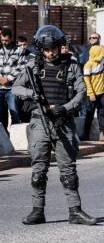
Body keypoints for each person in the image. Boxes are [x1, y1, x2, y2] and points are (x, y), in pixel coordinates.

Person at [13, 25, 98, 226]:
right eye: (46, 49)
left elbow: (81, 92)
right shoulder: (32, 66)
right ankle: (37, 211)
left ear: (60, 47)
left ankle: (75, 211)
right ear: (41, 49)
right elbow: (16, 87)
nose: (50, 52)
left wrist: (65, 108)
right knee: (38, 170)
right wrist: (31, 94)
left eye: (54, 48)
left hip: (63, 121)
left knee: (68, 171)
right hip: (39, 121)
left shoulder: (72, 66)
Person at [0, 27, 23, 127]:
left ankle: (15, 137)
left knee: (14, 112)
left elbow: (21, 67)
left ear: (11, 38)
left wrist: (8, 78)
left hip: (12, 87)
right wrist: (0, 77)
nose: (4, 42)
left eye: (6, 40)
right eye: (3, 40)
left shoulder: (19, 50)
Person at [82, 43, 104, 141]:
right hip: (92, 94)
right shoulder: (88, 65)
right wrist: (91, 93)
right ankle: (85, 134)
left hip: (102, 93)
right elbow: (87, 81)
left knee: (102, 113)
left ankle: (102, 134)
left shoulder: (102, 62)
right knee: (89, 114)